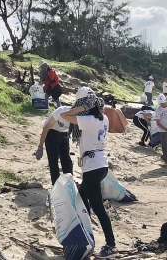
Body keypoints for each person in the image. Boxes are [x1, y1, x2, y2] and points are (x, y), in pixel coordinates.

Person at [59, 89, 118, 258]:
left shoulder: (89, 120)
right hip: (100, 164)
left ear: (86, 107)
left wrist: (81, 106)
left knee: (98, 207)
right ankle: (85, 229)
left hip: (92, 167)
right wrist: (87, 105)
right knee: (82, 196)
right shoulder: (103, 118)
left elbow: (66, 115)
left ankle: (111, 245)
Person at [34, 106, 74, 185]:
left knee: (66, 159)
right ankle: (55, 185)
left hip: (64, 133)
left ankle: (69, 183)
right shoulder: (61, 112)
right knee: (53, 160)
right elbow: (46, 129)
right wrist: (40, 146)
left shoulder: (79, 116)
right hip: (51, 131)